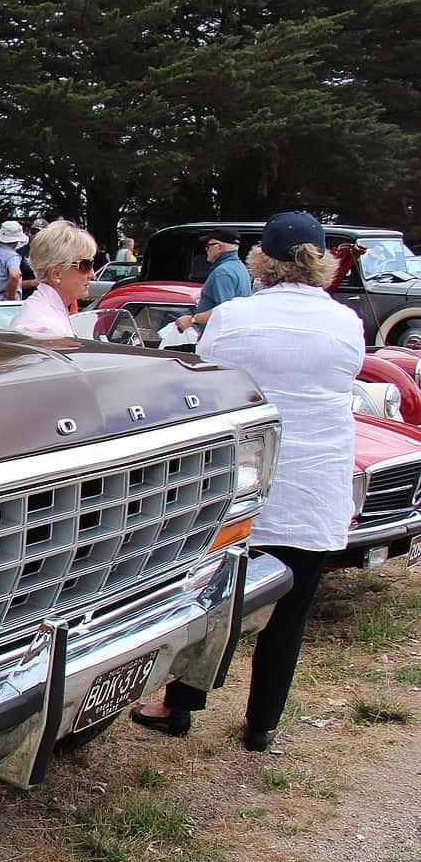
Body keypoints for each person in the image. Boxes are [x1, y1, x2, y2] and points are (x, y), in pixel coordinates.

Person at [130, 212, 362, 751]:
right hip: (314, 478)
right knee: (292, 611)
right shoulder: (345, 322)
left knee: (218, 598)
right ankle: (262, 725)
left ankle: (179, 706)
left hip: (245, 476)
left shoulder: (233, 318)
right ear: (321, 262)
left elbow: (214, 374)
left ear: (263, 260)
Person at [6, 221, 97, 336]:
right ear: (56, 274)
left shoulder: (50, 310)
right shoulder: (45, 328)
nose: (92, 275)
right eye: (85, 265)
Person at [175, 228, 251, 333]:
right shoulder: (240, 267)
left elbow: (224, 311)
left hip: (218, 336)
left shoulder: (222, 272)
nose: (206, 250)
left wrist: (191, 320)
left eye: (208, 246)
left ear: (219, 247)